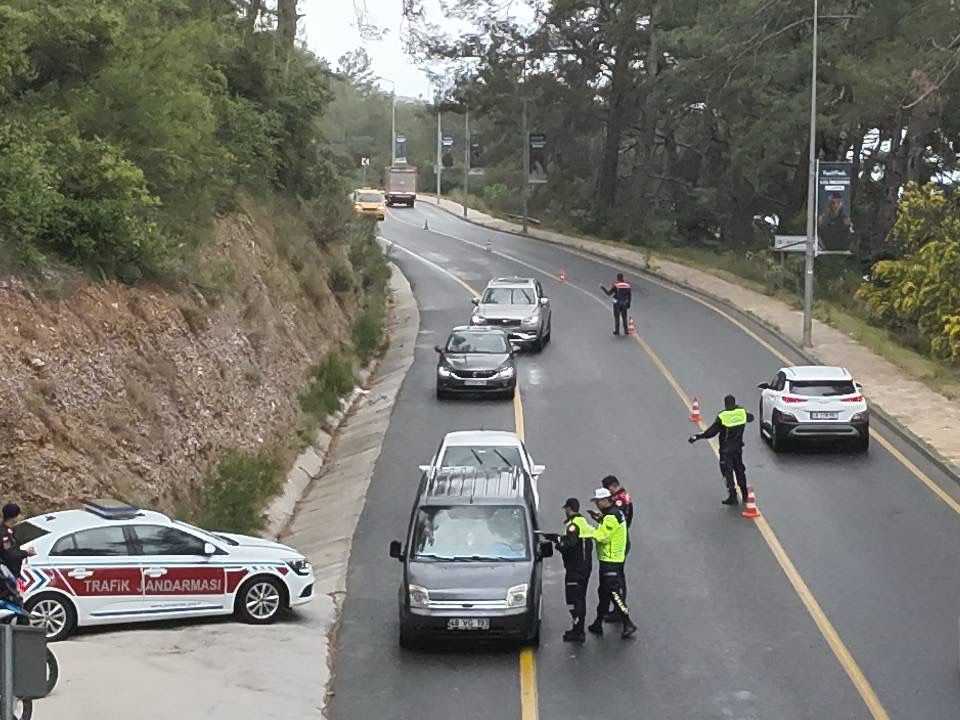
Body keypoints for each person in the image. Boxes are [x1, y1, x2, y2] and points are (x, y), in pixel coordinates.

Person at [586, 488, 637, 639]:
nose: (596, 505)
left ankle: (628, 622)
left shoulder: (611, 517)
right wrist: (600, 519)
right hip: (611, 559)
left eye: (597, 502)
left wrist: (585, 531)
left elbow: (603, 537)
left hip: (611, 560)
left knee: (614, 593)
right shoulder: (614, 513)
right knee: (603, 592)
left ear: (604, 501)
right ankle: (597, 622)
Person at [688, 395, 755, 505]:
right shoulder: (742, 413)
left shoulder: (723, 416)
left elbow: (711, 433)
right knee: (740, 469)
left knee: (727, 472)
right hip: (738, 448)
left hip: (726, 450)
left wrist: (697, 437)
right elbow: (751, 418)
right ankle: (745, 494)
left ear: (725, 404)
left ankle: (732, 495)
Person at [553, 498, 593, 642]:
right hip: (585, 568)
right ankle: (578, 628)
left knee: (574, 600)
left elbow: (569, 545)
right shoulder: (583, 522)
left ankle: (578, 631)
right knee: (580, 599)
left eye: (565, 509)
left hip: (575, 569)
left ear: (569, 509)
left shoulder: (573, 525)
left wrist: (558, 543)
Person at [601, 475, 633, 622]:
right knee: (618, 576)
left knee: (617, 577)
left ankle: (620, 609)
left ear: (613, 486)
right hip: (622, 537)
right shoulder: (623, 496)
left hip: (619, 542)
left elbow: (617, 520)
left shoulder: (619, 500)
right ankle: (616, 607)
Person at [0, 503, 35, 578]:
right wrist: (27, 553)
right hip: (10, 574)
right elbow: (10, 554)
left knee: (22, 587)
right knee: (19, 588)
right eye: (18, 514)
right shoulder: (4, 535)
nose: (20, 517)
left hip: (16, 571)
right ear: (13, 518)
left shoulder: (9, 530)